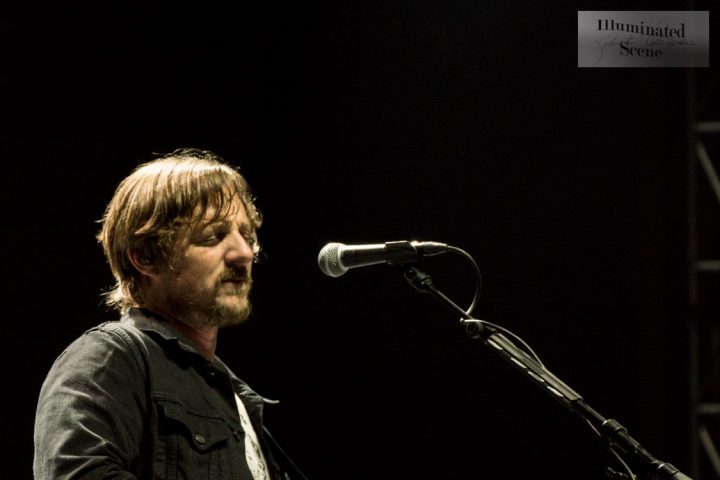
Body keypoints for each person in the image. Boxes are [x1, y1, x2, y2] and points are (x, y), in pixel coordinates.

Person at [33, 148, 302, 479]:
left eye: (247, 236)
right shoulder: (110, 358)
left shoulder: (235, 397)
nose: (243, 253)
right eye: (214, 236)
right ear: (145, 257)